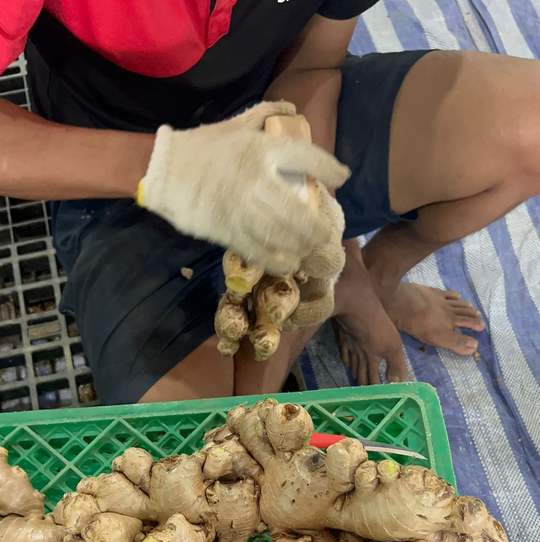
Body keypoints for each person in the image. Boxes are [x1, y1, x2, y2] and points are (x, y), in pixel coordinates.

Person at [0, 2, 535, 400]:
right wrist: (170, 167)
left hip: (269, 111)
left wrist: (318, 225)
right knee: (197, 459)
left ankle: (373, 277)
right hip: (116, 162)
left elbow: (313, 66)